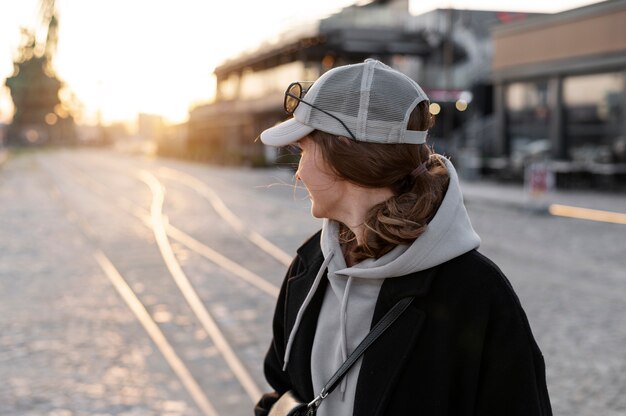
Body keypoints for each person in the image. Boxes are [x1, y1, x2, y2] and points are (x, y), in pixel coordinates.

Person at [254, 59, 552, 416]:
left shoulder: (477, 294)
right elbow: (282, 389)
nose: (298, 173)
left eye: (303, 151)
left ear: (343, 156)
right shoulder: (309, 264)